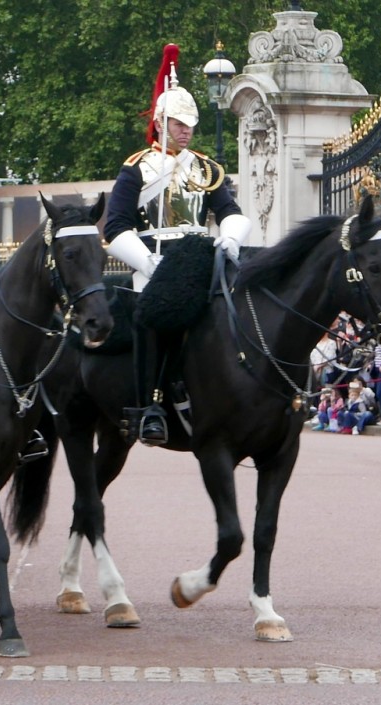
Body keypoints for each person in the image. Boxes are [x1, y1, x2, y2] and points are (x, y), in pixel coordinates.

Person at [102, 43, 249, 445]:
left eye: (190, 124)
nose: (186, 131)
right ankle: (149, 406)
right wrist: (146, 263)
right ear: (161, 122)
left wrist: (231, 239)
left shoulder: (207, 167)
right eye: (179, 124)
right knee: (153, 319)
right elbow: (114, 228)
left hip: (199, 259)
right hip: (155, 262)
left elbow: (230, 210)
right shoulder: (136, 169)